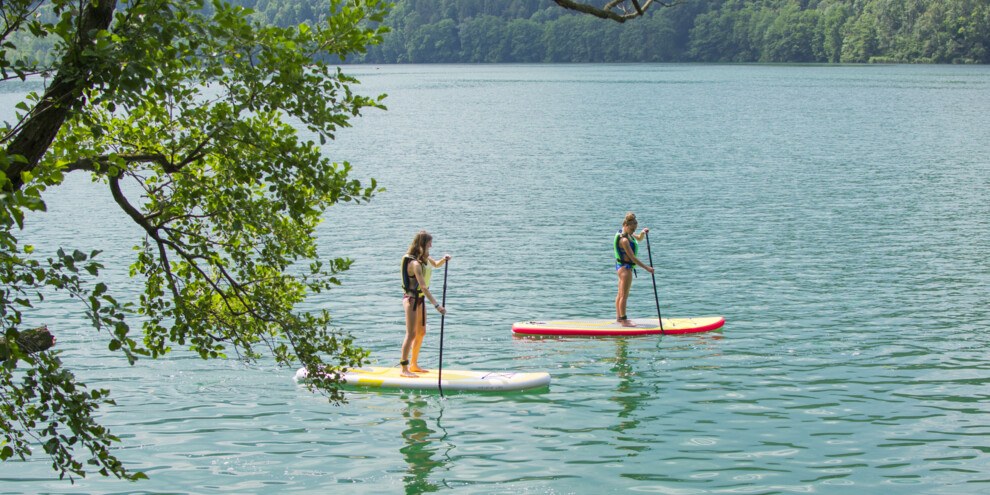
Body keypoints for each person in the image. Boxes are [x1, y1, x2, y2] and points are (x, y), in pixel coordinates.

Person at [400, 231, 450, 377]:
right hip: (411, 300)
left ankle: (414, 364)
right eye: (429, 243)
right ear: (422, 244)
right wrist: (437, 306)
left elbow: (435, 264)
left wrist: (444, 260)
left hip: (421, 300)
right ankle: (404, 369)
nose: (431, 245)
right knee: (411, 334)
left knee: (421, 332)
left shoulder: (424, 258)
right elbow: (423, 287)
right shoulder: (414, 263)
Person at [614, 213, 654, 327]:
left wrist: (642, 233)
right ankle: (624, 321)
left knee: (620, 294)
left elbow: (639, 239)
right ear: (626, 225)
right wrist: (648, 268)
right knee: (624, 296)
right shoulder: (624, 240)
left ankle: (619, 318)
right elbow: (633, 258)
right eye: (632, 229)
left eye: (634, 230)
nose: (633, 232)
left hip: (621, 268)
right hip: (625, 269)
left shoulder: (627, 233)